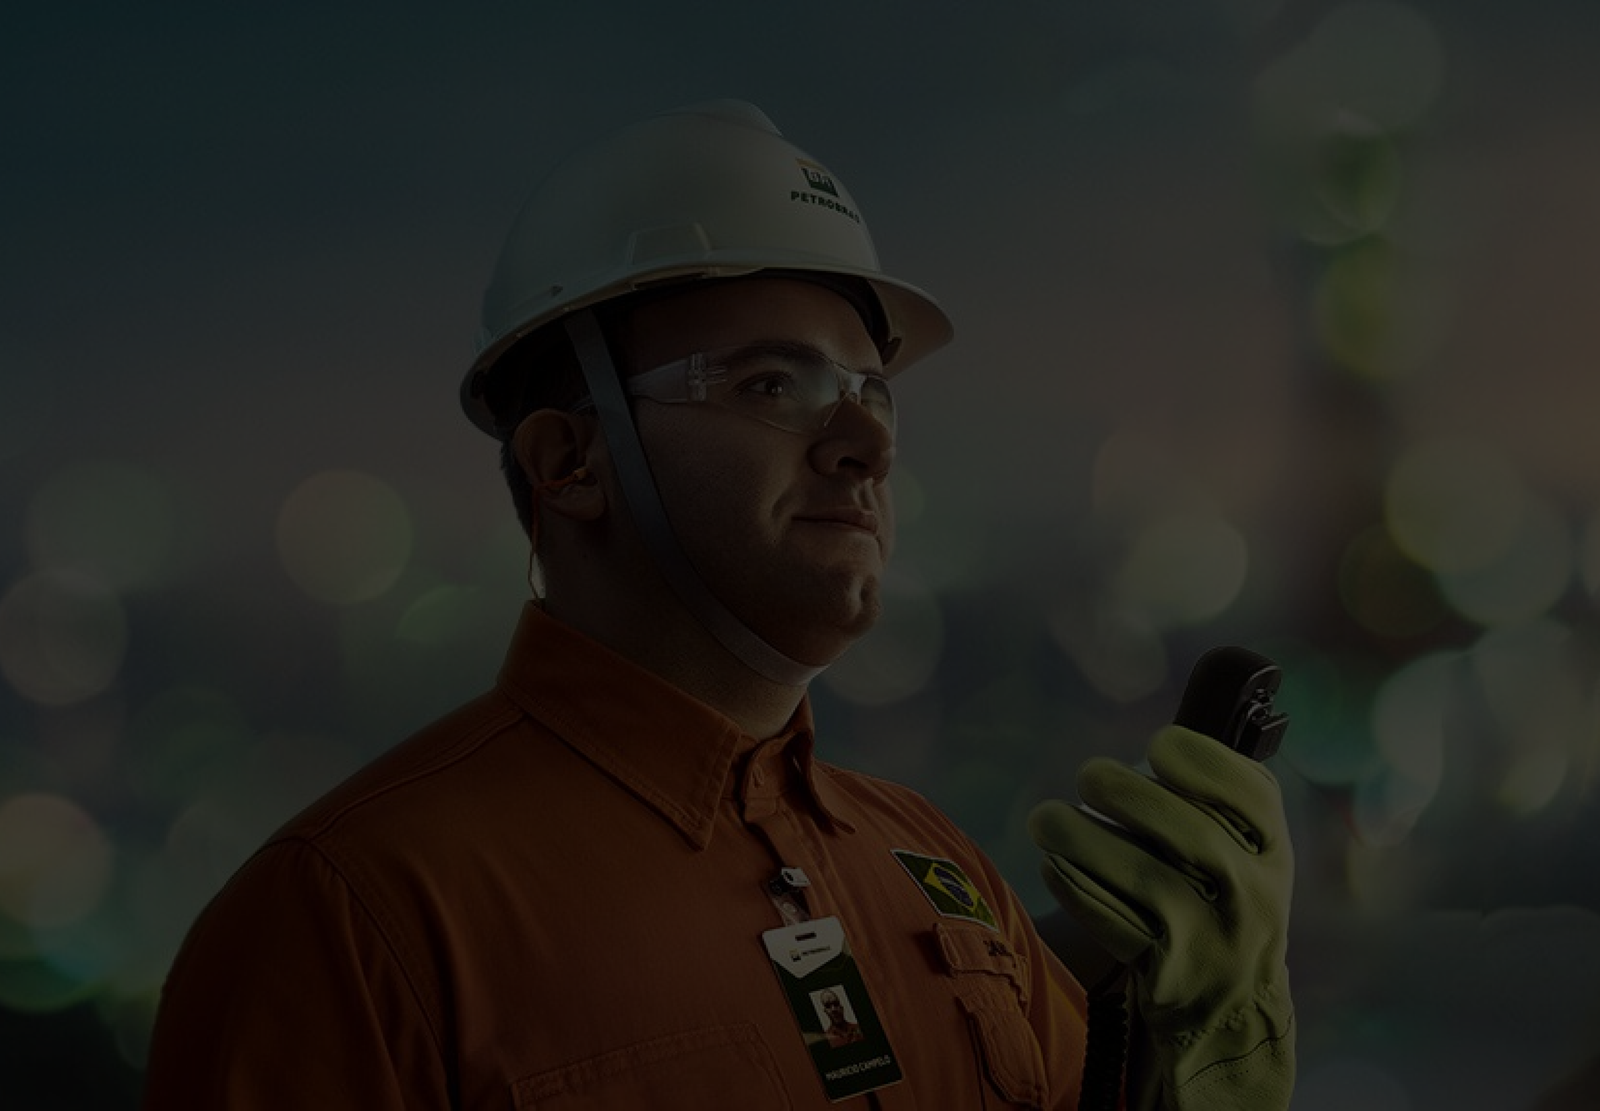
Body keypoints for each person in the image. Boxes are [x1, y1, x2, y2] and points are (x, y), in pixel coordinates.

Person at [142, 100, 1295, 1110]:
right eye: (771, 384)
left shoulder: (939, 871)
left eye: (871, 392)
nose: (865, 444)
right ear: (568, 462)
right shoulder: (354, 923)